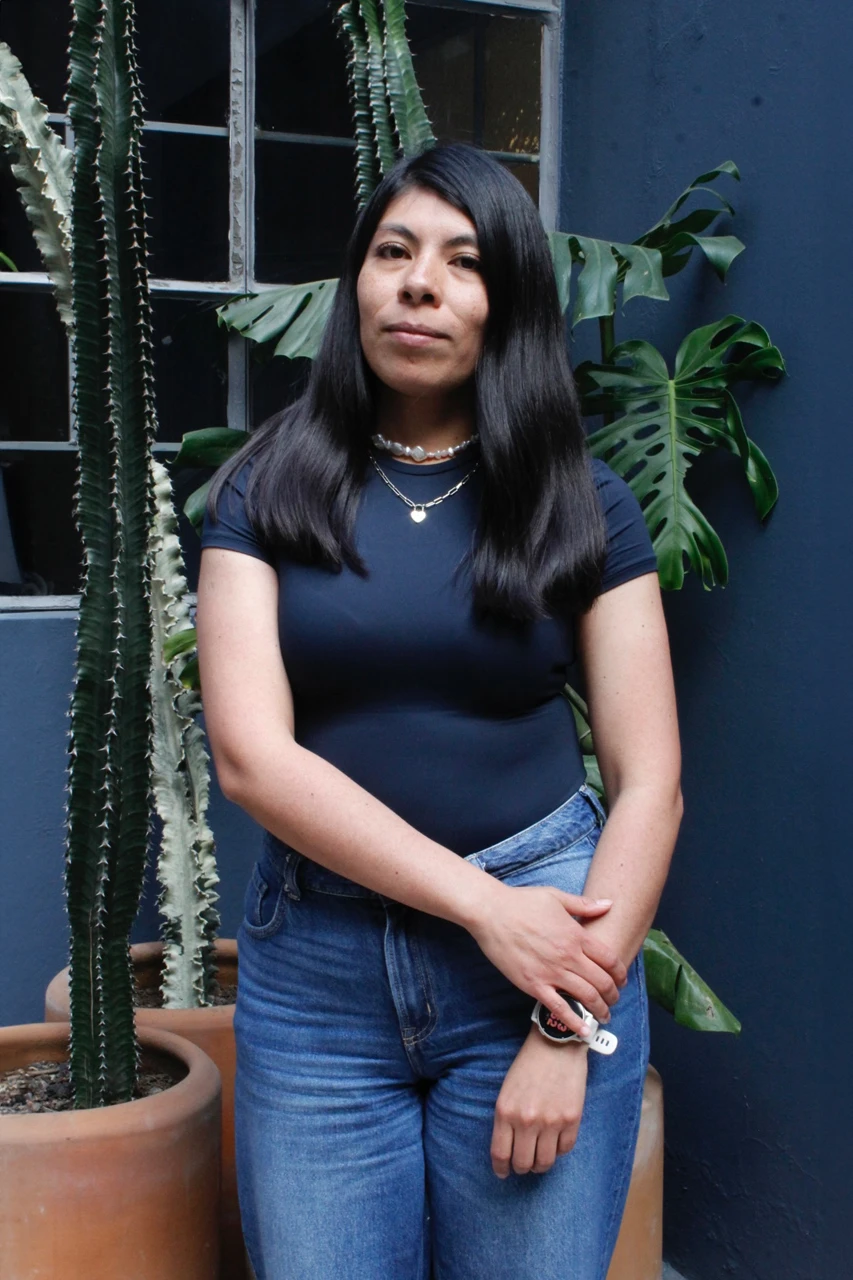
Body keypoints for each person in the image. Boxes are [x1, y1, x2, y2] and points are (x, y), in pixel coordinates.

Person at [197, 143, 683, 1280]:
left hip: (546, 964)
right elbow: (251, 758)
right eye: (394, 252)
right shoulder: (265, 487)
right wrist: (483, 908)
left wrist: (565, 1025)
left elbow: (649, 781)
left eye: (463, 262)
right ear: (358, 281)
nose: (419, 284)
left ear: (507, 304)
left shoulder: (583, 499)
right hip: (319, 980)